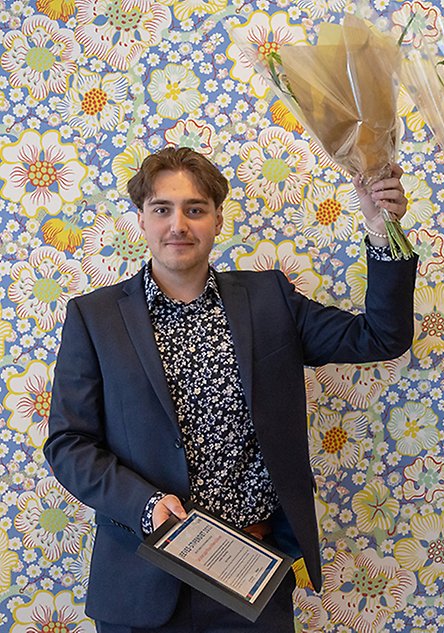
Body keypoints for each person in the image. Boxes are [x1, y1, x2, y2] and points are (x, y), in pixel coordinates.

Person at [44, 146, 417, 632]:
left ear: (217, 219)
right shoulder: (93, 318)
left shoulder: (269, 300)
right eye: (162, 209)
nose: (178, 224)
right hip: (142, 582)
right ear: (141, 219)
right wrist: (145, 506)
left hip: (252, 579)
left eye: (194, 209)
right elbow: (69, 444)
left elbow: (381, 337)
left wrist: (380, 228)